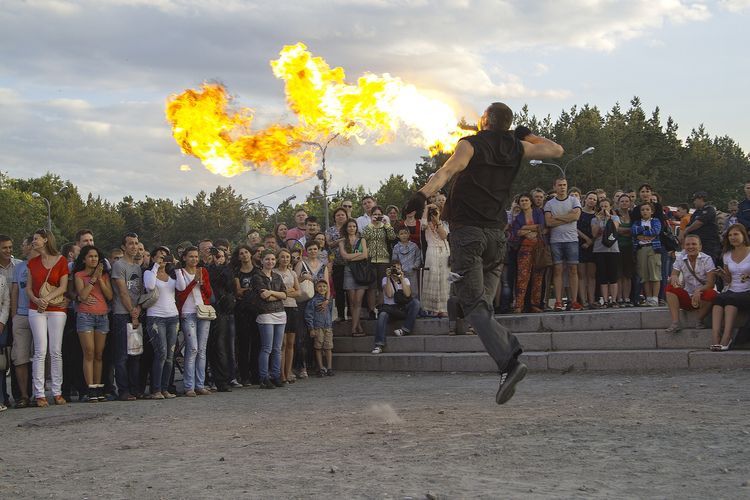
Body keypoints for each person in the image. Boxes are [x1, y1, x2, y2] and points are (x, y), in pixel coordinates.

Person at [405, 101, 564, 404]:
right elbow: (556, 150)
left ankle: (509, 361)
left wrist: (421, 195)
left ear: (487, 121)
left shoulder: (470, 144)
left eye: (481, 116)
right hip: (497, 237)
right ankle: (459, 303)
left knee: (475, 305)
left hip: (469, 236)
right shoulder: (518, 147)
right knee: (480, 306)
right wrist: (526, 135)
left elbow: (447, 170)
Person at [26, 229, 69, 407]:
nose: (33, 241)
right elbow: (28, 288)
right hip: (36, 309)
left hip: (56, 308)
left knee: (55, 350)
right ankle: (39, 393)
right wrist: (37, 300)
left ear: (45, 240)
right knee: (40, 350)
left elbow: (63, 286)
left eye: (36, 239)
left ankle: (57, 391)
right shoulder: (32, 262)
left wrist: (46, 299)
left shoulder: (61, 260)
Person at [73, 245, 113, 401]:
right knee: (88, 352)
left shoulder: (105, 276)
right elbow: (82, 296)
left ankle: (98, 386)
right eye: (90, 256)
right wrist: (93, 279)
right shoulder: (79, 275)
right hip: (85, 316)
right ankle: (90, 388)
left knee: (99, 353)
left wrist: (100, 279)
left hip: (102, 316)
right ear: (84, 259)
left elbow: (110, 296)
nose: (93, 259)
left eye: (96, 256)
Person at [176, 246, 213, 397]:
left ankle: (200, 384)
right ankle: (188, 386)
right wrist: (194, 282)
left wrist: (202, 284)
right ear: (184, 258)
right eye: (191, 256)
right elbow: (181, 294)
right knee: (192, 349)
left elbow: (209, 293)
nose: (194, 259)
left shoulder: (203, 271)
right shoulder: (179, 272)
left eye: (196, 256)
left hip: (203, 312)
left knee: (202, 350)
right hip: (188, 312)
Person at [143, 247, 178, 399]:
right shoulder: (148, 273)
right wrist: (156, 265)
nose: (163, 259)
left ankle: (165, 388)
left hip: (173, 316)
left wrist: (177, 266)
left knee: (170, 355)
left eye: (165, 256)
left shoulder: (172, 275)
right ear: (152, 258)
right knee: (161, 353)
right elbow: (150, 286)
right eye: (159, 256)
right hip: (156, 317)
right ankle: (156, 389)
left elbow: (181, 287)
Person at [664, 234, 717, 333]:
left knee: (712, 294)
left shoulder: (707, 259)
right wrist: (674, 277)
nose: (691, 247)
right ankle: (675, 322)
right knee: (670, 288)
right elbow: (674, 274)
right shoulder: (681, 258)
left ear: (700, 247)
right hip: (688, 296)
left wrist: (699, 291)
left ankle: (699, 319)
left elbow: (711, 284)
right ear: (684, 246)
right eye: (687, 244)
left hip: (703, 297)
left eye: (694, 244)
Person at [544, 178, 583, 311]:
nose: (562, 187)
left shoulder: (574, 200)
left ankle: (574, 301)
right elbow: (548, 223)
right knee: (558, 270)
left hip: (571, 239)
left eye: (564, 185)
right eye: (559, 185)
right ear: (554, 186)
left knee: (573, 270)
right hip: (556, 241)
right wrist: (567, 217)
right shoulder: (549, 204)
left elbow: (576, 217)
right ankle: (558, 301)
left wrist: (557, 217)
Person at [709, 224, 750, 350]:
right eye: (730, 235)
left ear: (744, 235)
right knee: (718, 299)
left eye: (736, 234)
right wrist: (722, 275)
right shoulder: (727, 254)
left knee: (731, 300)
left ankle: (726, 337)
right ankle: (715, 337)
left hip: (747, 291)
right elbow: (729, 280)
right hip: (733, 289)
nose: (733, 237)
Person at [252, 250, 287, 389]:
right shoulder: (257, 277)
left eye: (273, 259)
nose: (270, 262)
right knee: (267, 348)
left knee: (277, 348)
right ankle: (264, 377)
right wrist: (276, 295)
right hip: (265, 314)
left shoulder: (277, 276)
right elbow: (263, 296)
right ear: (262, 261)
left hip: (280, 313)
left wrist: (272, 292)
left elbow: (284, 294)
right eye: (267, 259)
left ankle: (276, 376)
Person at [294, 240, 329, 377]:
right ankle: (302, 366)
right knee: (302, 334)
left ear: (319, 250)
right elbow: (295, 281)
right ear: (306, 250)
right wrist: (303, 278)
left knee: (319, 333)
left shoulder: (323, 266)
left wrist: (327, 300)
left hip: (319, 303)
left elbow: (327, 285)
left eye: (315, 249)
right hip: (304, 302)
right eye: (310, 249)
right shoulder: (300, 264)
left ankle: (317, 365)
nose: (313, 251)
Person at [371, 260, 421, 354]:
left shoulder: (405, 280)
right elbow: (389, 294)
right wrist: (389, 277)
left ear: (401, 269)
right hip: (390, 309)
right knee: (382, 315)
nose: (396, 270)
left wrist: (401, 279)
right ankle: (378, 345)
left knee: (416, 303)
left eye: (398, 268)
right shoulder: (385, 280)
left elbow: (407, 294)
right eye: (394, 268)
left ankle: (405, 329)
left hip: (402, 309)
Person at [10, 236, 35, 408]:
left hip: (41, 314)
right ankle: (24, 396)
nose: (22, 247)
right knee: (20, 357)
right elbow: (14, 293)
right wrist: (14, 317)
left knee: (42, 356)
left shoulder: (44, 264)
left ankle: (39, 394)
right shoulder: (18, 267)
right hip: (21, 315)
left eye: (24, 245)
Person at [510, 193, 545, 313]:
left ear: (531, 202)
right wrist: (528, 231)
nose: (524, 202)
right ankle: (519, 305)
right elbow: (516, 232)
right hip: (524, 249)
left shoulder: (538, 213)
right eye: (522, 201)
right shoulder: (518, 217)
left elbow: (542, 226)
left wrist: (525, 228)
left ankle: (535, 304)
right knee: (522, 277)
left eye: (526, 200)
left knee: (538, 277)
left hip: (539, 248)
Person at [362, 205, 397, 317]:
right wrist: (371, 224)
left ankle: (382, 308)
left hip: (384, 259)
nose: (377, 216)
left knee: (382, 285)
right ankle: (371, 310)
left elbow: (392, 237)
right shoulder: (368, 227)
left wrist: (386, 224)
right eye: (374, 214)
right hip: (371, 259)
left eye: (379, 214)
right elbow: (364, 237)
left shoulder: (385, 226)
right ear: (371, 216)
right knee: (371, 287)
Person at [232, 244, 258, 386]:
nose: (244, 255)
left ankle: (256, 374)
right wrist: (250, 290)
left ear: (251, 254)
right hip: (241, 311)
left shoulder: (258, 271)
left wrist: (246, 290)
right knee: (243, 345)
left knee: (256, 343)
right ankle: (244, 375)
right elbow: (238, 291)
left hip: (256, 310)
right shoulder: (236, 272)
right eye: (241, 253)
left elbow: (260, 289)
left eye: (246, 252)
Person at [340, 218, 369, 336]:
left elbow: (365, 255)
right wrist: (359, 254)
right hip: (348, 271)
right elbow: (344, 256)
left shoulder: (362, 240)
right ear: (346, 228)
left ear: (356, 228)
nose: (352, 228)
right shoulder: (342, 242)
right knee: (352, 301)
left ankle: (354, 327)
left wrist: (351, 257)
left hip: (361, 272)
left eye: (354, 226)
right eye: (349, 226)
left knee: (358, 300)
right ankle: (357, 326)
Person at [421, 202, 450, 317]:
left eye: (437, 210)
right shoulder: (426, 223)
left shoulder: (444, 223)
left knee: (444, 278)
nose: (434, 212)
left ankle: (444, 308)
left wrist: (437, 220)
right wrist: (427, 208)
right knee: (432, 277)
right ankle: (432, 309)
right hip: (432, 251)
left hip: (444, 251)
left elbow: (443, 236)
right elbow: (422, 225)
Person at [275, 248, 299, 383]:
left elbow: (298, 292)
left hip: (292, 308)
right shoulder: (274, 272)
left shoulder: (293, 273)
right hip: (280, 308)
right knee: (282, 343)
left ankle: (288, 371)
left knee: (291, 343)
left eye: (287, 257)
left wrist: (284, 293)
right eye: (282, 257)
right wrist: (287, 292)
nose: (285, 259)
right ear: (278, 258)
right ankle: (281, 373)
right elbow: (274, 291)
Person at [591, 198, 621, 307]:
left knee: (613, 275)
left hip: (613, 250)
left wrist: (608, 218)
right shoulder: (595, 219)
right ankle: (605, 300)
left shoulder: (615, 218)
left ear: (610, 207)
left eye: (606, 206)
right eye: (602, 206)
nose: (604, 208)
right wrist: (599, 221)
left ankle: (613, 300)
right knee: (602, 276)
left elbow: (615, 229)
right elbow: (594, 234)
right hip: (599, 250)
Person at [631, 203, 662, 307]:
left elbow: (656, 231)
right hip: (641, 249)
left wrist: (642, 233)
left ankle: (655, 298)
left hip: (653, 248)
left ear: (651, 211)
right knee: (644, 275)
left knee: (655, 273)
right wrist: (645, 230)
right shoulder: (637, 222)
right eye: (643, 210)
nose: (645, 211)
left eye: (647, 209)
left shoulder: (655, 221)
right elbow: (633, 231)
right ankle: (648, 297)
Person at [304, 280, 334, 376]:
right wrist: (311, 328)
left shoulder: (328, 301)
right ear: (316, 288)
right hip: (318, 327)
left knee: (328, 347)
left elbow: (330, 312)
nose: (322, 288)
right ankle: (320, 367)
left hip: (328, 326)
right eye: (320, 286)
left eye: (324, 286)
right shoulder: (313, 301)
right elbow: (309, 315)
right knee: (318, 347)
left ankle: (329, 367)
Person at [682, 191, 721, 263]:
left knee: (709, 265)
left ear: (701, 198)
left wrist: (687, 230)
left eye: (695, 200)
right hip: (698, 244)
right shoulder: (696, 212)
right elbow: (690, 224)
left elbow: (699, 222)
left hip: (709, 244)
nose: (694, 202)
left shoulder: (710, 209)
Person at [326, 207, 349, 321]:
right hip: (337, 263)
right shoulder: (330, 230)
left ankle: (350, 314)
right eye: (338, 215)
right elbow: (328, 244)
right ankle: (340, 315)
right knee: (339, 290)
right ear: (334, 218)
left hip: (350, 263)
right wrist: (339, 241)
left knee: (350, 289)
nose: (340, 217)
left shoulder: (351, 227)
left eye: (342, 215)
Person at [577, 192, 598, 308]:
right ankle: (583, 300)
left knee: (591, 275)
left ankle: (591, 300)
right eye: (590, 198)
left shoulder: (597, 215)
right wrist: (586, 239)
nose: (592, 201)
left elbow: (600, 230)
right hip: (581, 244)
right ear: (585, 199)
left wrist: (591, 241)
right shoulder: (579, 212)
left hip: (594, 246)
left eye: (594, 199)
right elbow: (575, 227)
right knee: (581, 275)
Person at [615, 194, 635, 307]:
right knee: (619, 274)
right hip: (617, 247)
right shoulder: (614, 214)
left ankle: (627, 297)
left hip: (629, 247)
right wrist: (630, 230)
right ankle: (619, 298)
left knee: (628, 274)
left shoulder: (633, 215)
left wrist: (624, 230)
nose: (624, 203)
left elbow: (636, 229)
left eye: (627, 201)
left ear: (630, 203)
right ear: (618, 203)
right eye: (622, 201)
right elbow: (615, 229)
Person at [391, 226, 422, 299]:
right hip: (401, 273)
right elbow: (395, 259)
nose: (404, 235)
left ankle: (415, 305)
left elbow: (418, 257)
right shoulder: (396, 247)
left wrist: (415, 265)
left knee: (414, 291)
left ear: (409, 234)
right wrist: (399, 269)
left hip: (412, 272)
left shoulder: (414, 246)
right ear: (398, 236)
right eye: (401, 234)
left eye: (405, 233)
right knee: (403, 290)